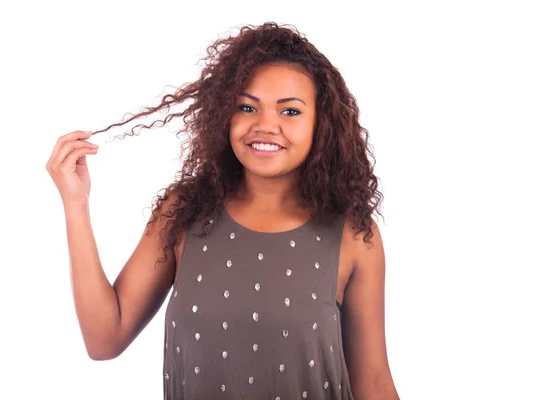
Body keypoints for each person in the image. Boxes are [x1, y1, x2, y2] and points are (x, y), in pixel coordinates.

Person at [47, 22, 400, 400]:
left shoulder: (353, 234)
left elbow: (374, 384)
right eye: (247, 107)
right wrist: (76, 204)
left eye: (290, 111)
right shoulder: (182, 214)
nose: (266, 126)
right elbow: (104, 339)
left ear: (322, 124)